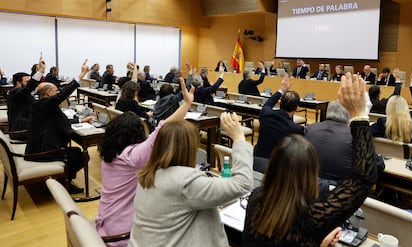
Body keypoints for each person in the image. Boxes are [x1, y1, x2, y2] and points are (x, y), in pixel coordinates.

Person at [243, 73, 378, 246]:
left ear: (272, 166)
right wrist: (359, 115)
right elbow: (363, 180)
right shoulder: (314, 217)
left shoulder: (256, 198)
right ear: (311, 173)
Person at [128, 112, 253, 247]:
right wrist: (239, 138)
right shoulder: (185, 183)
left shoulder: (147, 175)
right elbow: (243, 183)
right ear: (189, 148)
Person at [95, 77, 193, 247]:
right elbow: (163, 126)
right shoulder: (133, 157)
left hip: (105, 221)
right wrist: (186, 105)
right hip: (123, 234)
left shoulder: (109, 155)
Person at [25, 60, 91, 194]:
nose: (58, 92)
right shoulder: (45, 104)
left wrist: (81, 119)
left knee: (77, 152)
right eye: (56, 91)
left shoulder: (41, 105)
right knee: (81, 156)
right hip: (41, 151)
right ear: (49, 93)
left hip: (38, 146)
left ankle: (64, 178)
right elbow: (62, 96)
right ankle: (65, 182)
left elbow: (59, 121)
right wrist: (81, 74)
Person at [305, 100, 384, 184]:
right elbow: (378, 165)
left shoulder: (309, 129)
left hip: (308, 187)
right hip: (339, 192)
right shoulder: (356, 137)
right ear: (349, 116)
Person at [254, 75, 304, 158]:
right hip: (277, 166)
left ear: (280, 103)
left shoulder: (266, 114)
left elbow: (268, 103)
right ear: (296, 108)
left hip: (258, 159)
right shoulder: (296, 129)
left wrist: (281, 90)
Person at [7, 57, 45, 139]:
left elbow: (30, 89)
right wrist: (41, 71)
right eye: (26, 82)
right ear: (18, 83)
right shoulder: (14, 93)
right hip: (20, 132)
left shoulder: (22, 94)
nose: (28, 84)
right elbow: (28, 88)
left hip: (25, 127)